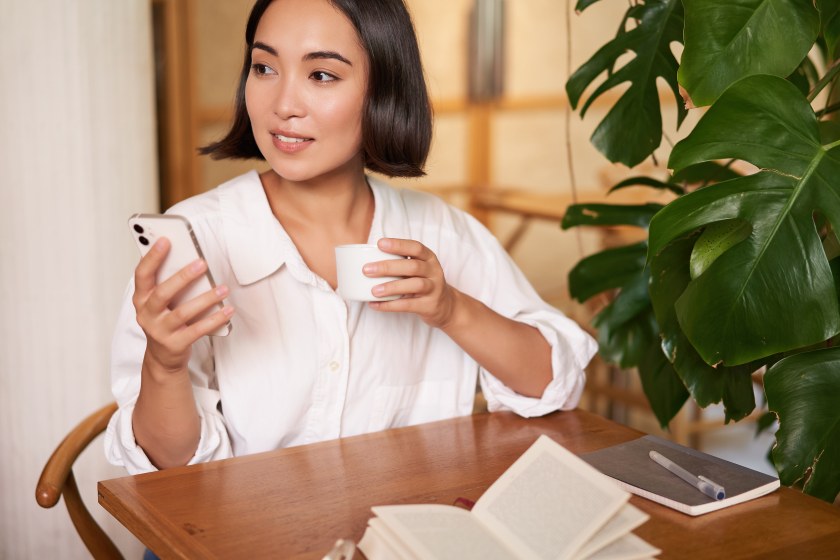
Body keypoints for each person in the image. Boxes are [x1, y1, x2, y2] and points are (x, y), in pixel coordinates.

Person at [105, 0, 597, 474]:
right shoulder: (198, 241)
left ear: (383, 90)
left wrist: (451, 309)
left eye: (321, 75)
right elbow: (167, 471)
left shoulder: (440, 233)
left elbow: (554, 384)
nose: (283, 105)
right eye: (264, 67)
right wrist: (165, 367)